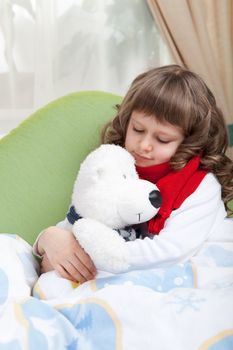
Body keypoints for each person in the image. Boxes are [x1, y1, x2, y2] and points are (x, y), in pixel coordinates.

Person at [33, 64, 233, 283]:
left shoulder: (201, 185)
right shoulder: (117, 164)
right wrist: (48, 238)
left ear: (189, 141)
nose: (144, 145)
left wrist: (100, 254)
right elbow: (83, 215)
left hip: (189, 271)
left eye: (162, 139)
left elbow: (171, 253)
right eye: (137, 129)